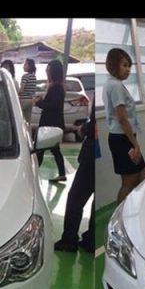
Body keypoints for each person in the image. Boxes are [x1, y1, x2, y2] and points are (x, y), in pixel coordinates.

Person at [104, 48, 145, 204]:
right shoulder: (115, 86)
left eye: (129, 66)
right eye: (124, 65)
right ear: (113, 64)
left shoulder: (112, 84)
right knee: (129, 182)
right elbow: (122, 119)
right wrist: (135, 145)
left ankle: (140, 210)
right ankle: (118, 215)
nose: (128, 69)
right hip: (123, 139)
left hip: (123, 138)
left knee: (143, 176)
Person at [54, 103, 95, 252]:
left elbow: (94, 126)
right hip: (97, 152)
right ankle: (91, 239)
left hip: (92, 155)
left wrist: (83, 128)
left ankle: (69, 239)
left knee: (75, 198)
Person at [34, 59, 67, 182]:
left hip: (51, 124)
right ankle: (62, 174)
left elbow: (53, 106)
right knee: (53, 149)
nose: (47, 72)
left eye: (48, 70)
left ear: (54, 72)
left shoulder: (56, 88)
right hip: (52, 124)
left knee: (41, 149)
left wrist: (40, 103)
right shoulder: (56, 86)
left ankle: (33, 173)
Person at [18, 58, 37, 124]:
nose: (23, 66)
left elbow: (22, 89)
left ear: (29, 66)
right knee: (28, 120)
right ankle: (28, 130)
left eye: (25, 64)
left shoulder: (25, 76)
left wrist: (16, 94)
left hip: (23, 100)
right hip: (30, 100)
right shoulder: (34, 77)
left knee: (19, 117)